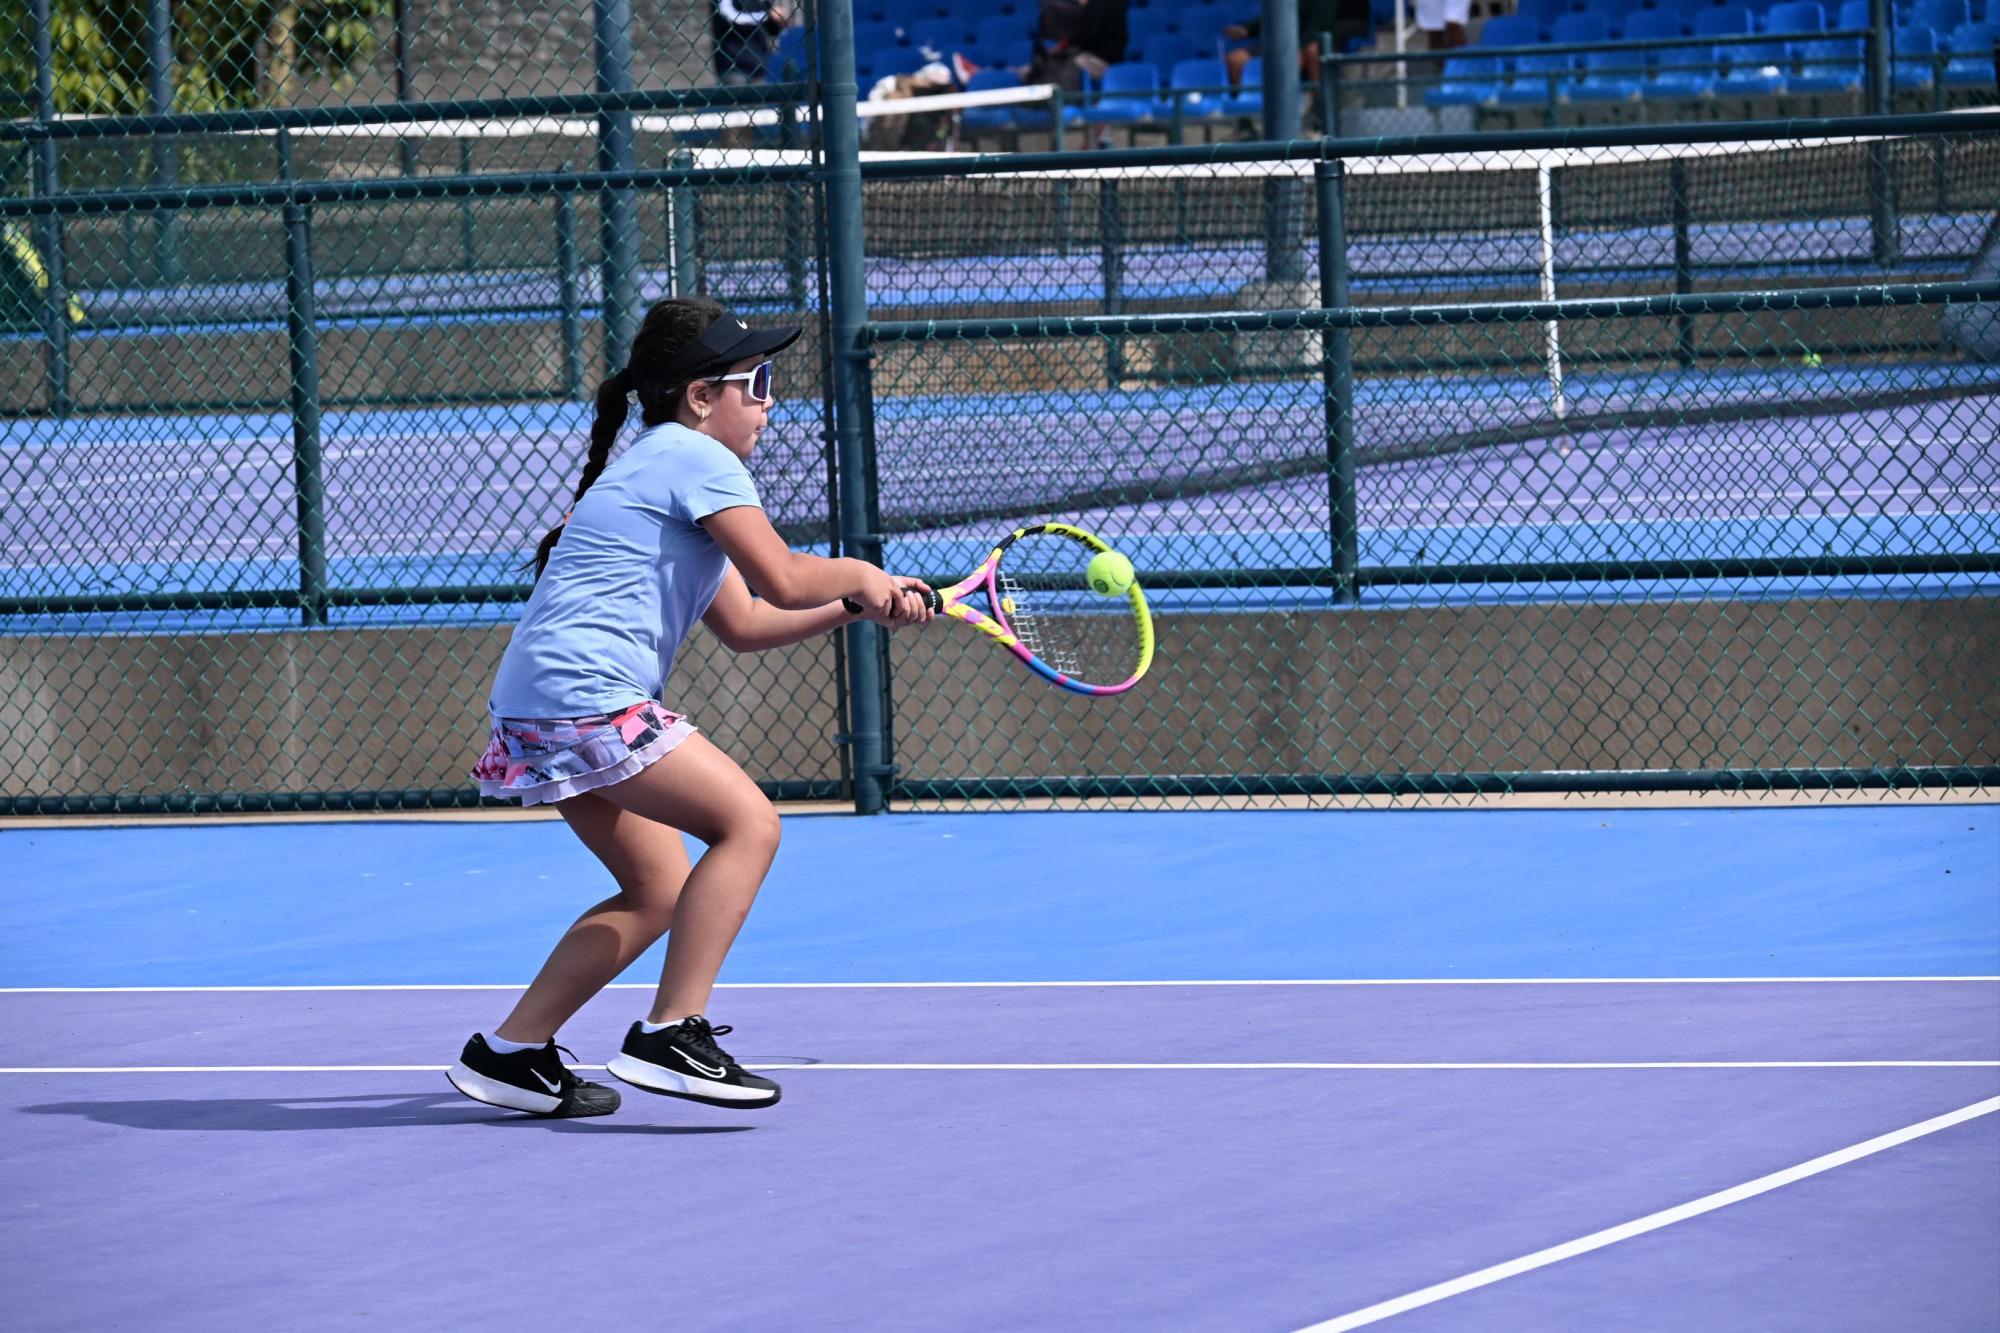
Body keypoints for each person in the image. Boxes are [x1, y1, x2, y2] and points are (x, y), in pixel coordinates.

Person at [447, 297, 934, 1118]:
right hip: (585, 696)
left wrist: (857, 604)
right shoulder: (691, 456)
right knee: (749, 824)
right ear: (700, 397)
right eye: (758, 381)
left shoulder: (660, 472)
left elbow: (746, 621)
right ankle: (672, 1032)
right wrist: (858, 571)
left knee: (657, 888)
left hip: (538, 704)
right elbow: (782, 573)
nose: (770, 401)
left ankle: (510, 1052)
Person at [1221, 1, 1372, 89]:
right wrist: (1247, 30)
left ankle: (1318, 107)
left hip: (1328, 38)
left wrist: (1298, 48)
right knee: (1235, 59)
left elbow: (1319, 24)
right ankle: (1242, 114)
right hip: (1290, 41)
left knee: (1311, 51)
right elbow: (1280, 14)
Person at [1031, 0, 1131, 90]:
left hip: (1106, 61)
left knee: (1070, 65)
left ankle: (1067, 103)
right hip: (1090, 54)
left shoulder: (1102, 5)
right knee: (1052, 63)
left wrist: (1065, 46)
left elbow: (1088, 35)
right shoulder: (1091, 7)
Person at [711, 1, 790, 85]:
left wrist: (776, 20)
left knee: (760, 95)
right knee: (737, 95)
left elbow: (771, 30)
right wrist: (767, 16)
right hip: (733, 65)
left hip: (758, 64)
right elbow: (731, 16)